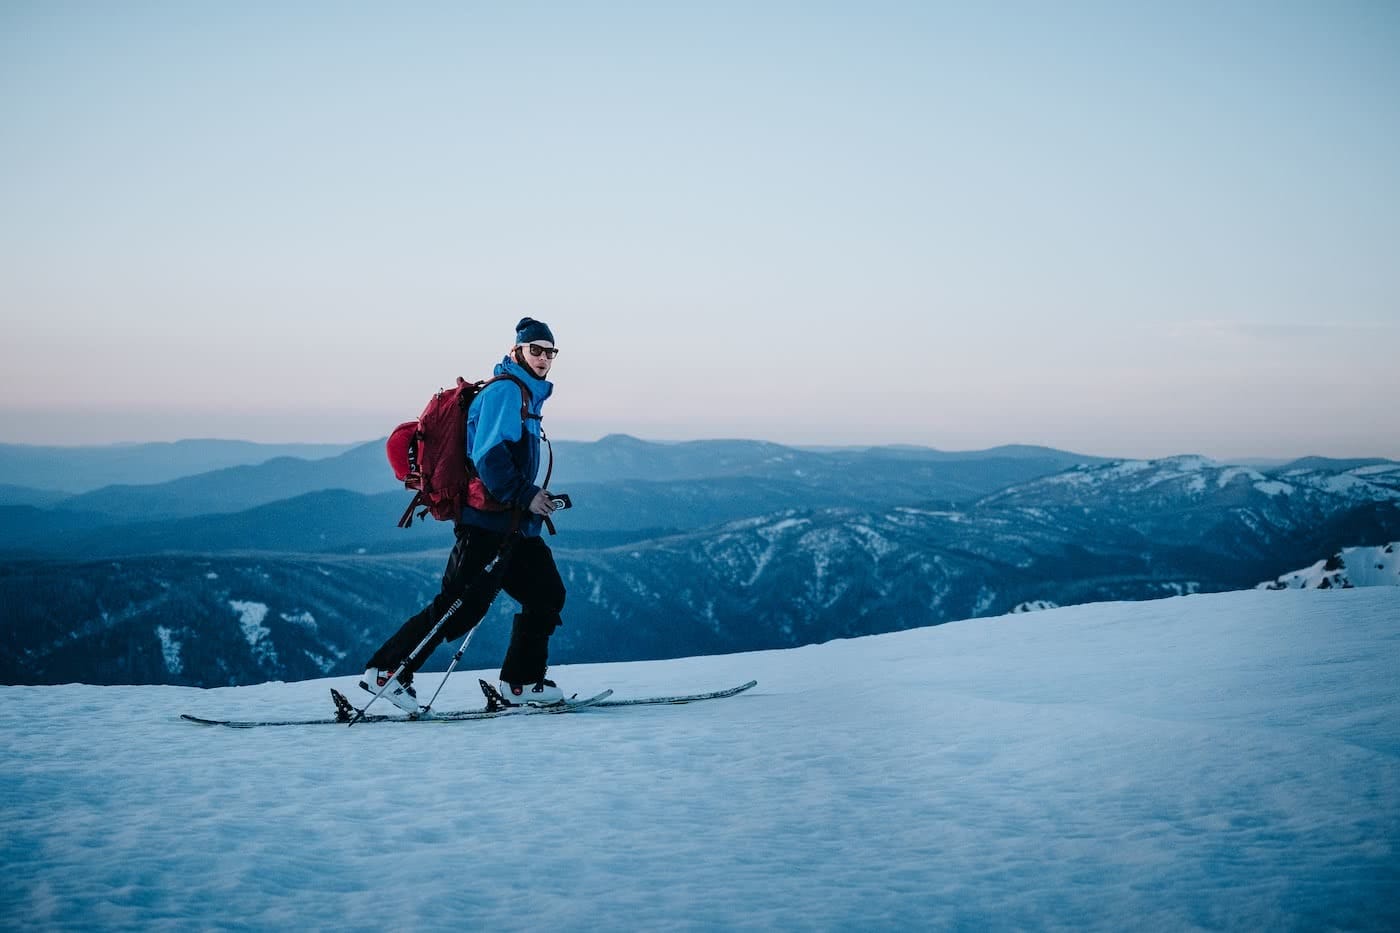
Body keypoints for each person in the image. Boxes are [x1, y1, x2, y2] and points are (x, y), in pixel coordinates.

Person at [361, 317, 567, 711]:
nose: (543, 357)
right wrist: (527, 494)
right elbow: (488, 457)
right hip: (487, 524)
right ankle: (386, 672)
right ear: (517, 352)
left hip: (514, 525)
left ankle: (521, 685)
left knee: (545, 594)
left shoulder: (525, 395)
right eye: (535, 350)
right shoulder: (507, 392)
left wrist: (530, 499)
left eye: (549, 352)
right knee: (458, 606)